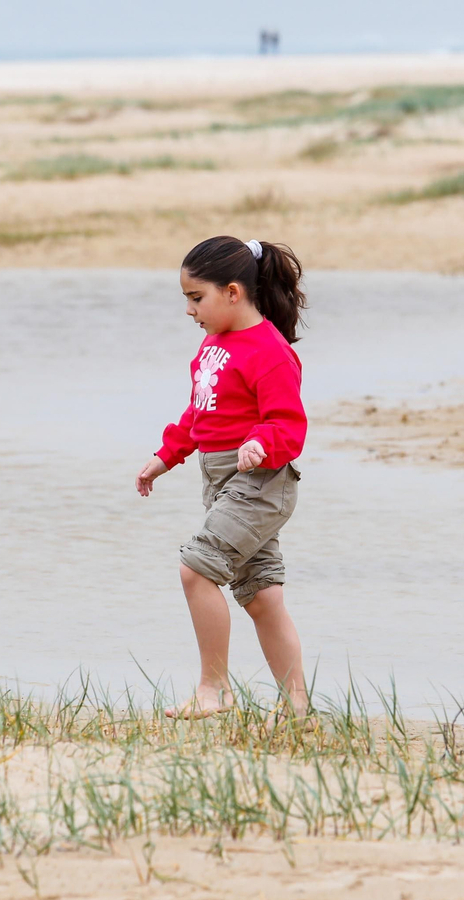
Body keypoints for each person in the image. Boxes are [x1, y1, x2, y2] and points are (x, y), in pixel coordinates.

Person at [135, 236, 311, 722]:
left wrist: (259, 444)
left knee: (196, 569)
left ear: (233, 292)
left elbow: (287, 424)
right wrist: (165, 457)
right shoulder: (214, 345)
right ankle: (297, 708)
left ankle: (213, 689)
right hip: (223, 483)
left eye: (197, 299)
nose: (191, 311)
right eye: (187, 300)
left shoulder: (269, 351)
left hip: (260, 482)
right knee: (261, 595)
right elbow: (201, 412)